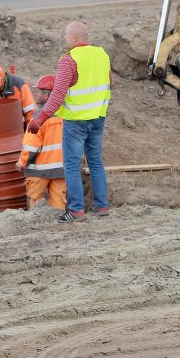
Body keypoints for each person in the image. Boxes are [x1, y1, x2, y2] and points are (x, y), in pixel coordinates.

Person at [28, 21, 111, 223]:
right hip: (98, 117)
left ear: (74, 38)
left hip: (76, 121)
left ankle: (75, 211)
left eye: (65, 34)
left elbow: (57, 96)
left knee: (72, 165)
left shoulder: (69, 59)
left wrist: (40, 118)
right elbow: (110, 82)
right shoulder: (102, 54)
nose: (64, 37)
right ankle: (102, 206)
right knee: (95, 162)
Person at [16, 74, 67, 210]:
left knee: (35, 202)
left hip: (39, 171)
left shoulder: (38, 118)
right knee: (59, 204)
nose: (36, 94)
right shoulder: (68, 116)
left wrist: (21, 163)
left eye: (38, 92)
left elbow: (30, 145)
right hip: (61, 170)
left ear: (46, 96)